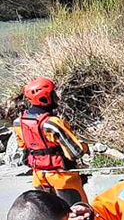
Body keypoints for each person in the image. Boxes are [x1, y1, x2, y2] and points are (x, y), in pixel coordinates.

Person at [13, 77, 90, 206]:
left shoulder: (18, 123)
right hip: (63, 178)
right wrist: (85, 147)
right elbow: (75, 153)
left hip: (39, 177)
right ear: (44, 98)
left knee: (50, 214)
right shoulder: (53, 124)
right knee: (77, 215)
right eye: (53, 94)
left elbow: (23, 149)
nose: (57, 98)